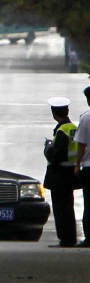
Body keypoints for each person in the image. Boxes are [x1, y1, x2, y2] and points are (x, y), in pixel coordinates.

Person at [44, 97, 78, 247]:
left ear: (54, 113)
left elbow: (56, 155)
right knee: (68, 206)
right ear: (67, 111)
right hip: (71, 171)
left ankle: (66, 238)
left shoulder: (61, 131)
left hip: (60, 174)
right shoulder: (73, 127)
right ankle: (70, 237)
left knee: (60, 208)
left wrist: (48, 148)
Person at [74, 86, 90, 247]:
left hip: (89, 167)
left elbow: (81, 145)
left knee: (89, 204)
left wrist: (77, 164)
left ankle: (89, 238)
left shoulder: (86, 118)